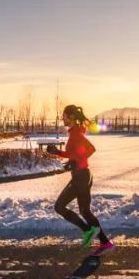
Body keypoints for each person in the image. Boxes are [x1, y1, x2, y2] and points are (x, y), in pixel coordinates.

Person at [48, 104, 114, 256]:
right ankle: (106, 243)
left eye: (63, 115)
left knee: (59, 207)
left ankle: (88, 231)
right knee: (85, 211)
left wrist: (76, 162)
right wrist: (58, 152)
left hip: (81, 177)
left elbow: (90, 149)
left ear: (70, 117)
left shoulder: (76, 134)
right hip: (82, 175)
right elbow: (75, 154)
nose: (62, 118)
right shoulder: (74, 134)